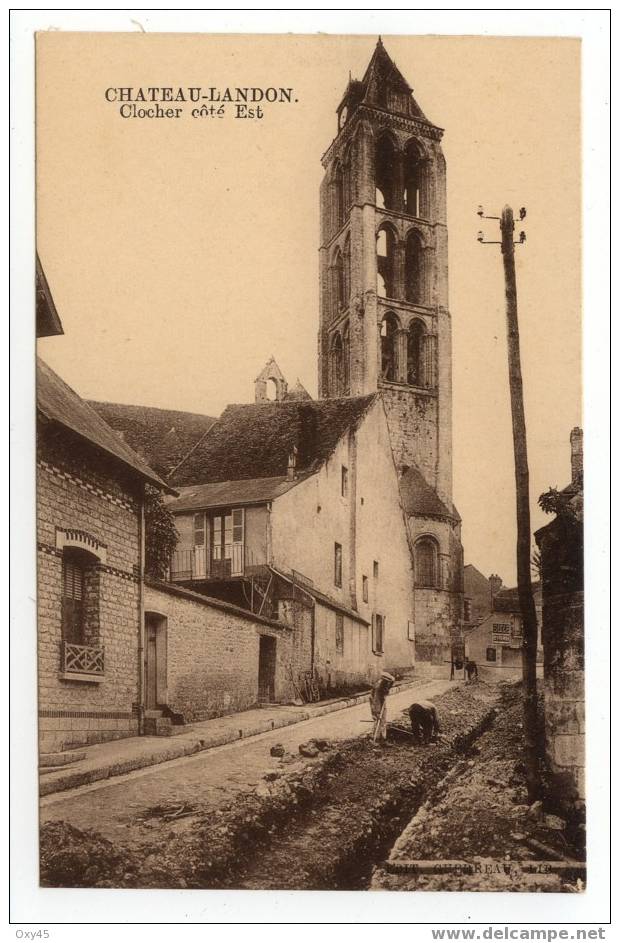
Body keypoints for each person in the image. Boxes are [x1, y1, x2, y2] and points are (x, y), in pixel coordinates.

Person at [369, 671, 395, 745]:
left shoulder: (385, 684)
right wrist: (377, 712)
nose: (388, 684)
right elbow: (375, 700)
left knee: (382, 720)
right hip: (376, 703)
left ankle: (381, 737)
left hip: (381, 701)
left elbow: (392, 682)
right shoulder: (379, 687)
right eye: (388, 682)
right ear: (384, 681)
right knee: (379, 719)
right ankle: (376, 738)